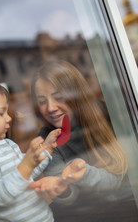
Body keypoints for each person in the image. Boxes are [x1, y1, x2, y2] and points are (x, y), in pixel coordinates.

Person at [30, 60, 138, 221]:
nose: (50, 107)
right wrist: (61, 189)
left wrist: (82, 173)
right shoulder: (47, 139)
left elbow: (119, 183)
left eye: (58, 97)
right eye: (42, 102)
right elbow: (71, 198)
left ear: (77, 94)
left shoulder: (113, 115)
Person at [0, 77, 86, 222]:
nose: (9, 118)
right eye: (1, 113)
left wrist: (46, 149)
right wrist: (27, 163)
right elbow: (0, 196)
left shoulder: (8, 145)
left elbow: (28, 174)